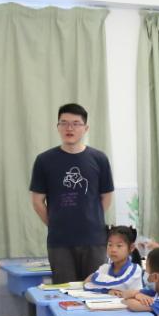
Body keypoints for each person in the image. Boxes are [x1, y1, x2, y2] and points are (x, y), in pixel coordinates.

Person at [29, 103, 114, 283]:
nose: (70, 128)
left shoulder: (99, 159)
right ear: (57, 127)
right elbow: (37, 202)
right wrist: (56, 224)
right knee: (65, 293)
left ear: (85, 128)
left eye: (76, 123)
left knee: (95, 289)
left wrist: (92, 218)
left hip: (94, 239)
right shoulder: (44, 160)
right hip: (60, 241)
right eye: (64, 123)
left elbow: (106, 197)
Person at [119, 246, 159, 315]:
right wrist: (137, 295)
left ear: (155, 277)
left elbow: (133, 305)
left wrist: (134, 297)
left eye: (147, 269)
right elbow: (126, 293)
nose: (145, 272)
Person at [84, 226, 143, 294]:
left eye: (119, 246)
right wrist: (108, 290)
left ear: (131, 247)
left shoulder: (135, 269)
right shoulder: (105, 268)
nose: (113, 250)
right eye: (110, 245)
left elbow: (121, 283)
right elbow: (87, 285)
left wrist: (94, 276)